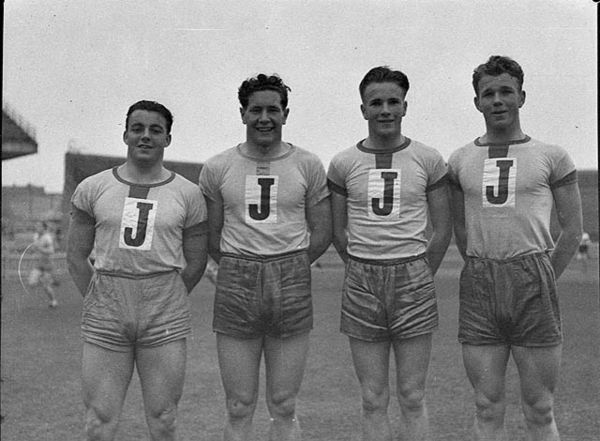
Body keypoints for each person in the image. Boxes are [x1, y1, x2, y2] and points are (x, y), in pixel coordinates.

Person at [448, 56, 583, 441]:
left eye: (506, 91)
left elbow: (573, 230)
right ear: (476, 101)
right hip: (480, 282)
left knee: (539, 407)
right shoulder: (459, 160)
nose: (497, 100)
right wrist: (483, 268)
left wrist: (541, 277)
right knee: (487, 405)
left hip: (533, 279)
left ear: (522, 96)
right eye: (487, 93)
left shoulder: (551, 156)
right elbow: (461, 228)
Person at [199, 74, 331, 441]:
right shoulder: (218, 167)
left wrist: (288, 265)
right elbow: (212, 234)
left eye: (273, 109)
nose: (264, 118)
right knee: (239, 404)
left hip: (290, 275)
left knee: (284, 404)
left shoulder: (307, 164)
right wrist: (240, 267)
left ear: (285, 114)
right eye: (255, 110)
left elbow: (322, 231)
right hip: (236, 279)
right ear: (242, 113)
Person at [66, 100, 208, 441]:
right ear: (126, 134)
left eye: (155, 130)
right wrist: (102, 299)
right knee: (99, 420)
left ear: (168, 139)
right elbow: (75, 256)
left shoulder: (188, 194)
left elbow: (196, 262)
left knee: (163, 419)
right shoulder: (94, 187)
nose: (145, 136)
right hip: (106, 309)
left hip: (164, 311)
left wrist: (163, 295)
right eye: (138, 128)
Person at [327, 66, 452, 441]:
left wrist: (417, 273)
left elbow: (442, 229)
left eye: (392, 102)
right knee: (372, 396)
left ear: (405, 106)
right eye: (376, 102)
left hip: (413, 277)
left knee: (412, 396)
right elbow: (338, 231)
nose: (385, 110)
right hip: (362, 280)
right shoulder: (344, 162)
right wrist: (365, 266)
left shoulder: (428, 159)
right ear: (363, 109)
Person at [28, 221, 59, 307]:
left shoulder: (47, 238)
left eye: (39, 226)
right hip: (39, 263)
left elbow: (51, 251)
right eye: (36, 226)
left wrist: (39, 248)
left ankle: (53, 301)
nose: (37, 228)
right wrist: (33, 249)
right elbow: (35, 247)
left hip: (47, 264)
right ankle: (50, 280)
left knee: (46, 287)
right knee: (31, 283)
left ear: (44, 228)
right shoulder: (35, 236)